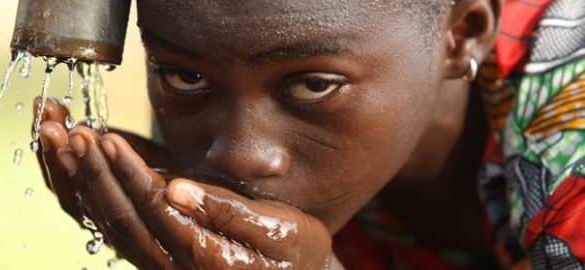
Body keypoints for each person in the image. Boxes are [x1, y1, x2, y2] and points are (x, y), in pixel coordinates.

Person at [34, 0, 585, 269]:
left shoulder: (571, 126)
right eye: (185, 74)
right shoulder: (214, 114)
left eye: (315, 85)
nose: (238, 156)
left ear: (462, 34)